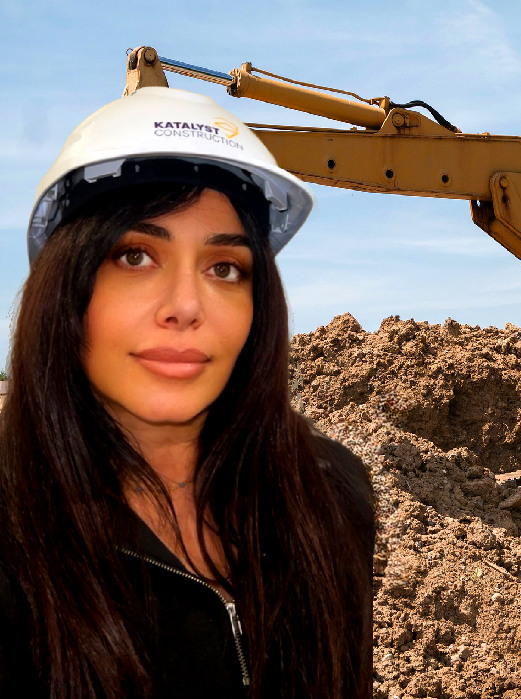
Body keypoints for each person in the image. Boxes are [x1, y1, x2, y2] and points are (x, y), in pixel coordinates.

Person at [0, 87, 374, 698]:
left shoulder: (330, 493)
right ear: (67, 292)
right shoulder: (15, 537)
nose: (185, 307)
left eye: (225, 268)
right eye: (136, 256)